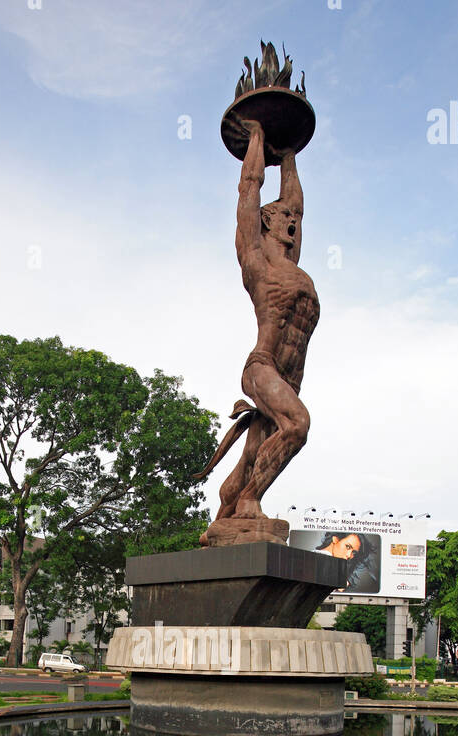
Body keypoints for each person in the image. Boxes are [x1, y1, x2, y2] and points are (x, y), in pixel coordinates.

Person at [199, 119, 320, 537]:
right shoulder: (258, 263)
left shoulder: (293, 265)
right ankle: (250, 500)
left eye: (293, 217)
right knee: (297, 425)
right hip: (263, 368)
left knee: (257, 452)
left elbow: (298, 203)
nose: (292, 220)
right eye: (283, 216)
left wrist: (288, 156)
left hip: (290, 376)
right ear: (267, 223)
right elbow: (249, 190)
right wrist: (256, 139)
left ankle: (230, 505)